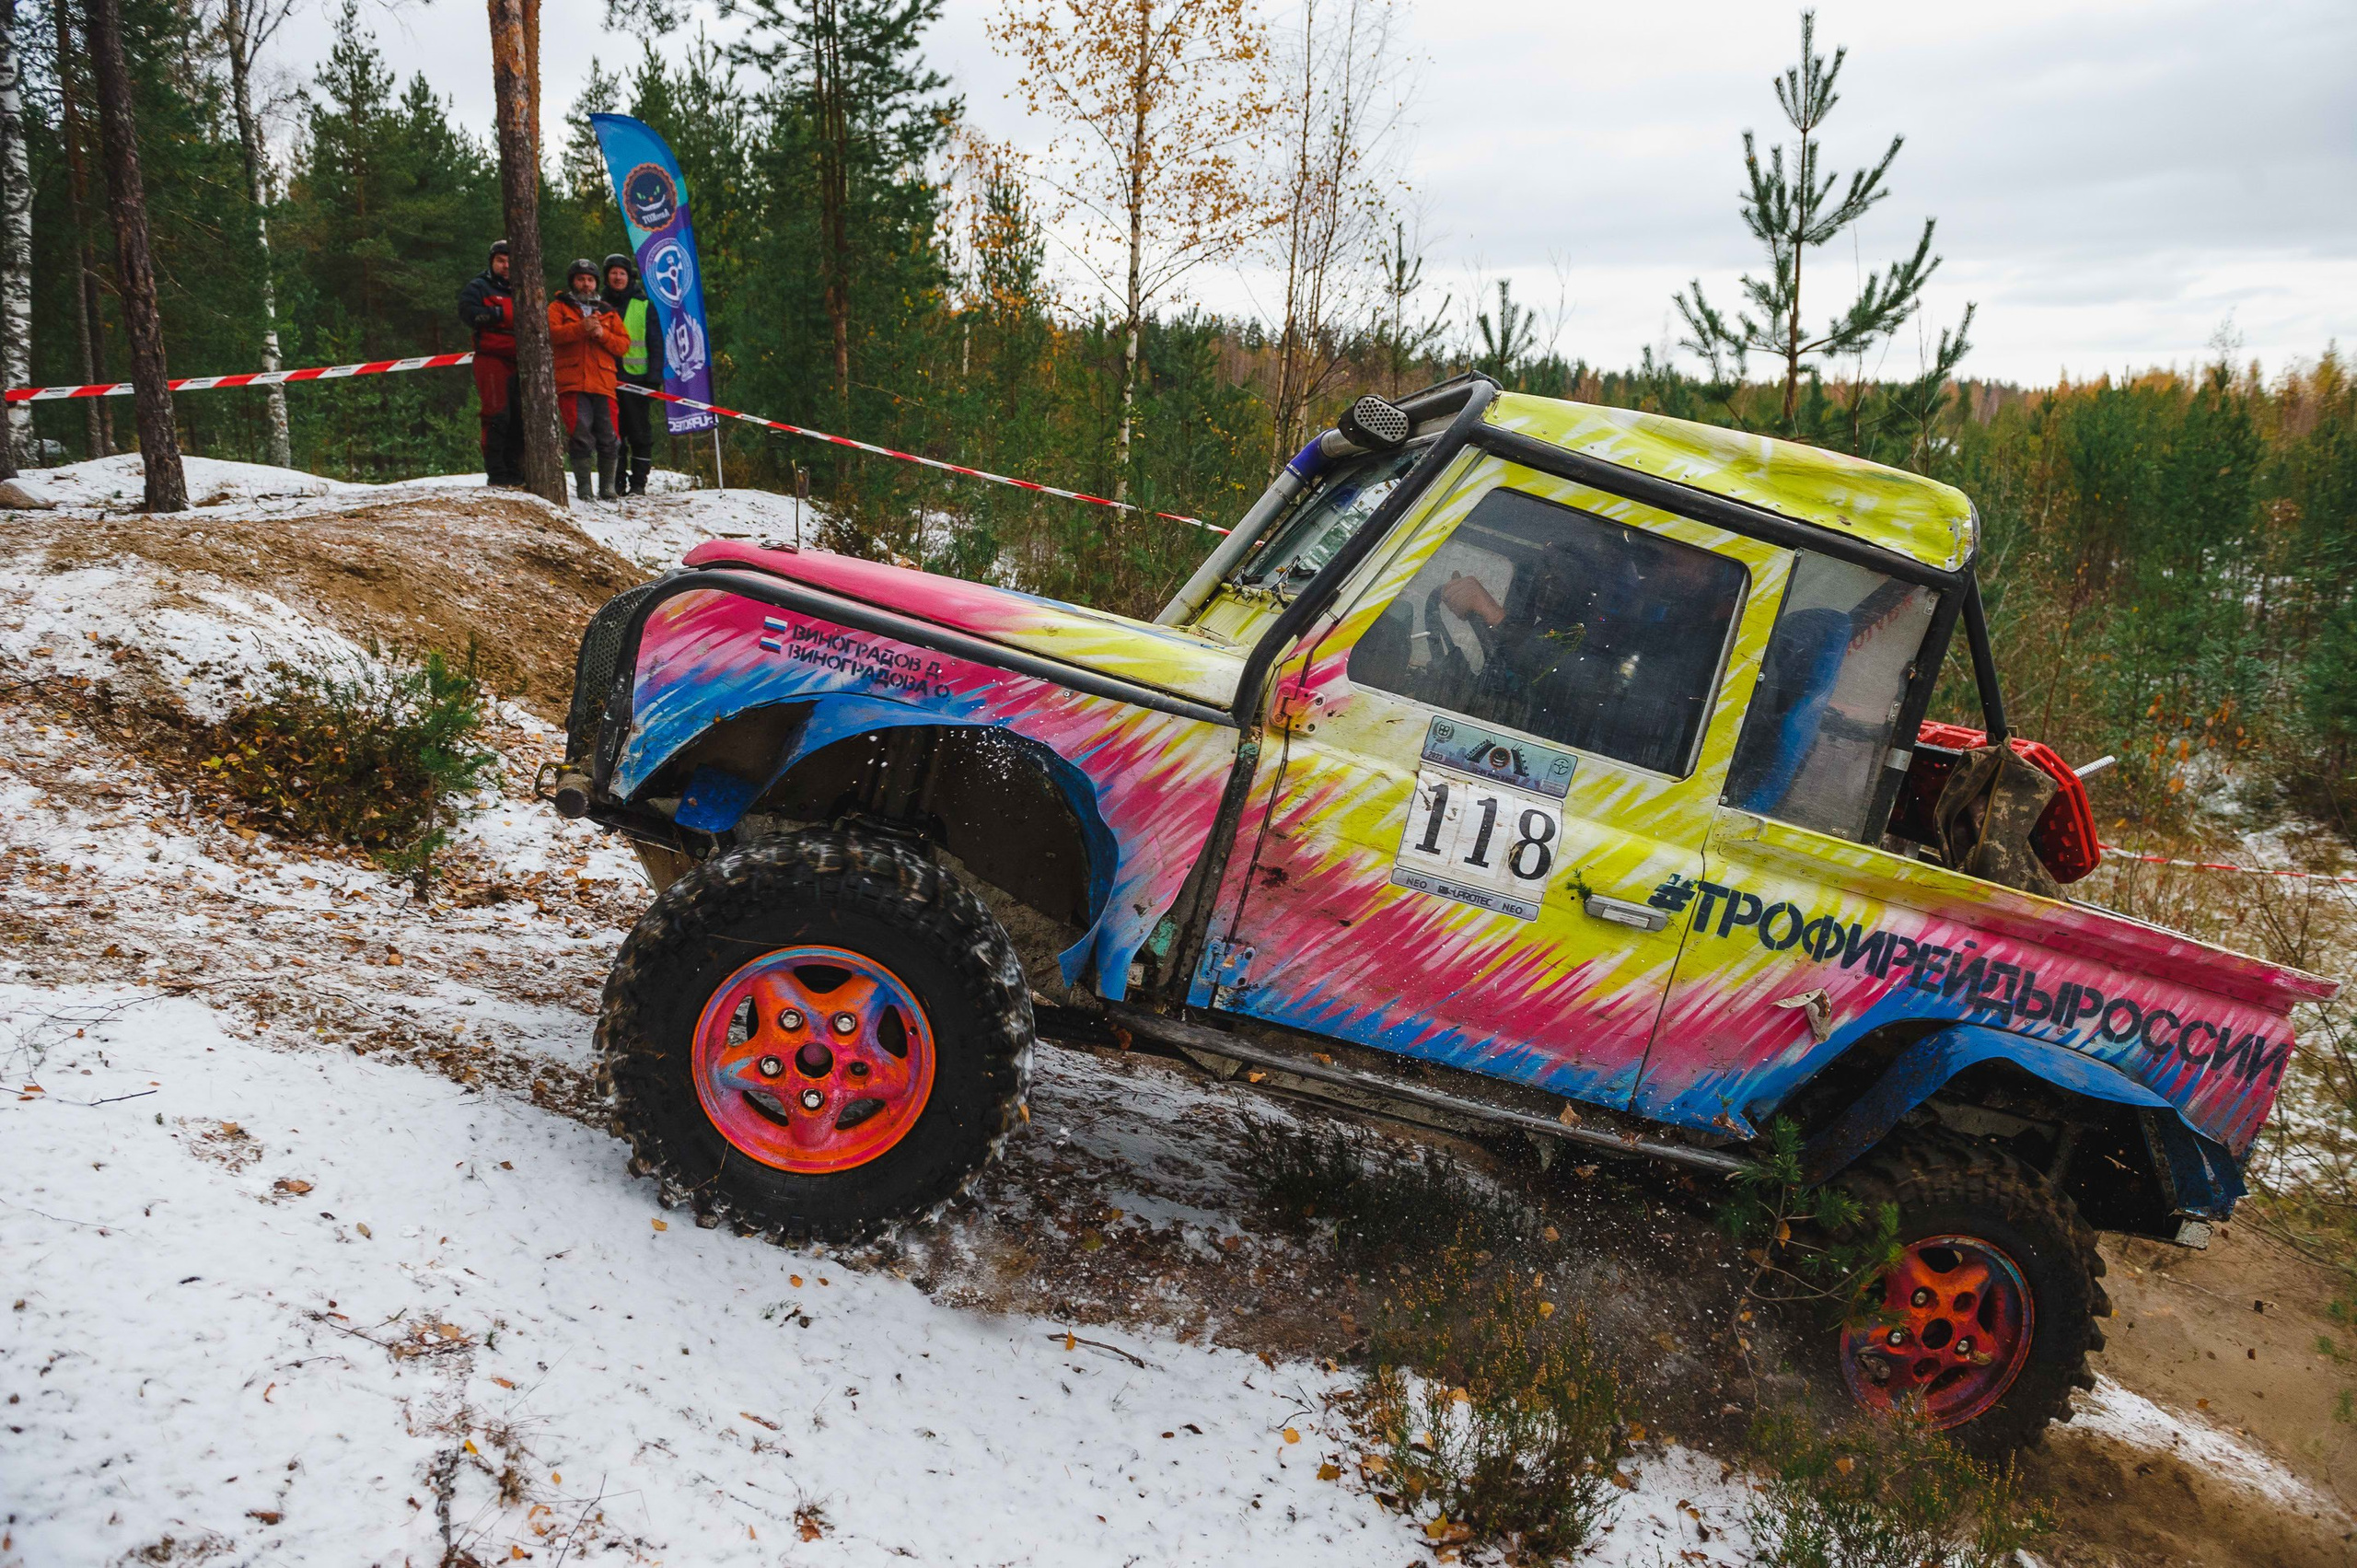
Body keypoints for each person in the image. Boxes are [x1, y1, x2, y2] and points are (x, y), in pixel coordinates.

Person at [548, 257, 631, 502]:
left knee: (609, 436)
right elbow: (551, 334)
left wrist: (602, 334)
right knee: (580, 434)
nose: (586, 284)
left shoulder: (607, 311)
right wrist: (580, 328)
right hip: (572, 381)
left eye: (590, 280)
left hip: (604, 383)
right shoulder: (558, 307)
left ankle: (607, 488)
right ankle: (584, 488)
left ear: (596, 283)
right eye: (581, 279)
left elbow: (623, 345)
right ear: (572, 281)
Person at [456, 240, 522, 486]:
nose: (506, 266)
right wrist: (500, 315)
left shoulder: (524, 286)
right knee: (497, 415)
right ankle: (497, 473)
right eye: (501, 261)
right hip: (491, 359)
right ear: (492, 262)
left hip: (523, 362)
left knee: (521, 419)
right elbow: (467, 313)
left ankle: (516, 471)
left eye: (509, 261)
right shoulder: (479, 286)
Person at [600, 252, 666, 496]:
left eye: (622, 273)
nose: (617, 277)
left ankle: (639, 483)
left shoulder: (644, 304)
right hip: (605, 380)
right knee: (612, 435)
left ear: (630, 277)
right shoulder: (596, 303)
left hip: (637, 380)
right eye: (613, 273)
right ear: (606, 277)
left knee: (640, 434)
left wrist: (654, 378)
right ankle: (615, 481)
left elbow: (656, 343)